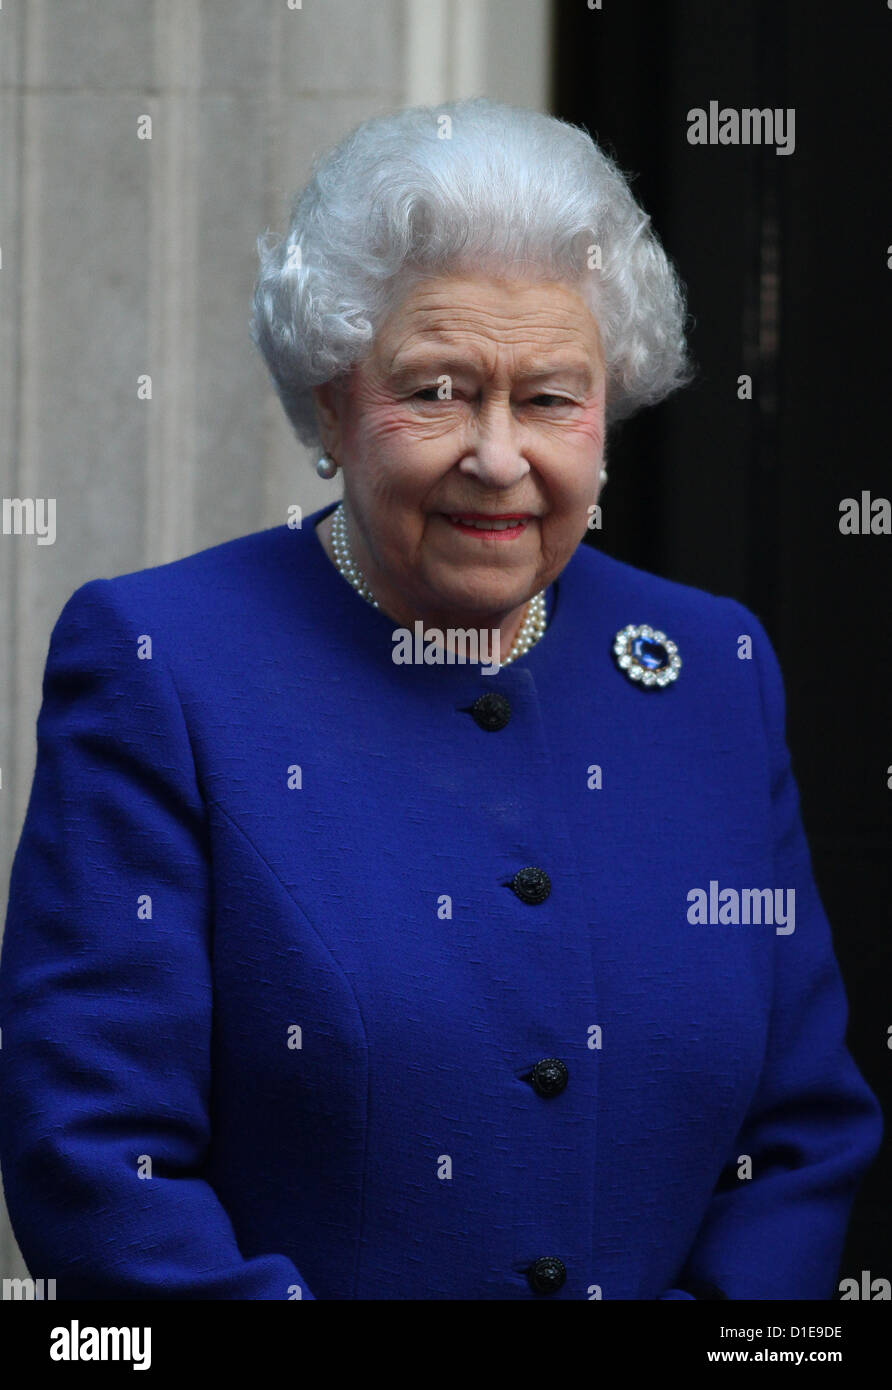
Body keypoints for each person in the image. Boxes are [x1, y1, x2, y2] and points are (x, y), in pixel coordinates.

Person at [0, 97, 881, 1300]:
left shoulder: (708, 667)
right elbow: (99, 1159)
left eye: (551, 398)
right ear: (330, 400)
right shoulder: (166, 661)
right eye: (438, 390)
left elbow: (800, 1137)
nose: (500, 454)